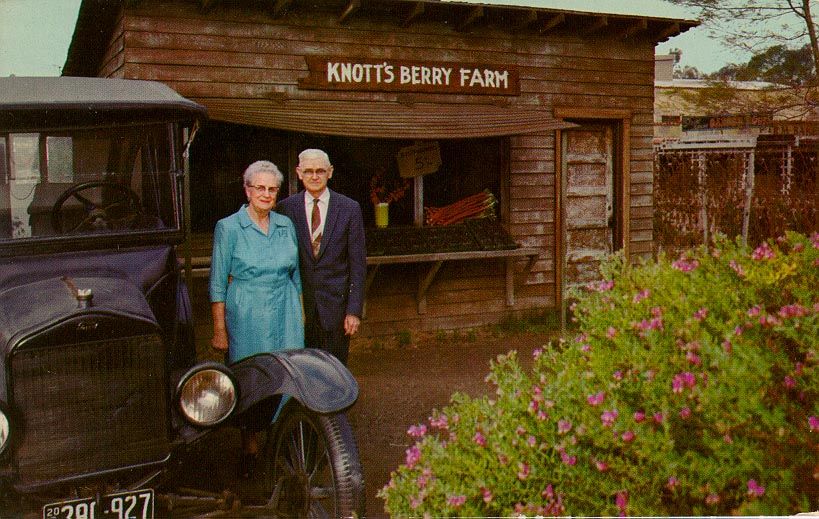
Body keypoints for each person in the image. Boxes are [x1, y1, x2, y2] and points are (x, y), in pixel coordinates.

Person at [209, 160, 303, 472]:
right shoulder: (229, 227)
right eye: (259, 188)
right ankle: (250, 447)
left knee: (289, 373)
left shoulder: (285, 225)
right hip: (247, 308)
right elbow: (218, 283)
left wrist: (300, 313)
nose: (266, 194)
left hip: (285, 306)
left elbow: (297, 275)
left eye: (272, 189)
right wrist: (219, 329)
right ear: (247, 190)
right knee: (251, 375)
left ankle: (282, 442)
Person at [277, 148, 366, 365]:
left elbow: (358, 264)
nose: (314, 176)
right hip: (300, 306)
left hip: (336, 307)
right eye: (308, 171)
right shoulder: (285, 209)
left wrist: (353, 311)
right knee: (303, 366)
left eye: (320, 171)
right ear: (299, 173)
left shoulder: (349, 208)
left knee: (335, 368)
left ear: (330, 172)